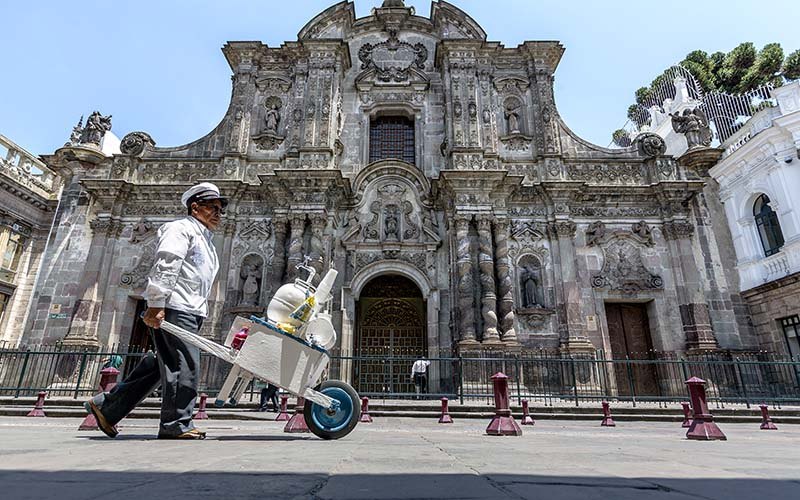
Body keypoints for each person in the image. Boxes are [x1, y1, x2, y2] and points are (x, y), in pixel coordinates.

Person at [84, 182, 227, 440]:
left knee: (160, 364)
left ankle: (107, 406)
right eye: (212, 207)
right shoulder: (180, 229)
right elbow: (166, 263)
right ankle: (176, 424)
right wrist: (157, 303)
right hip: (176, 307)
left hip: (191, 309)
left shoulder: (205, 238)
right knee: (185, 365)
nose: (218, 213)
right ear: (195, 207)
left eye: (220, 209)